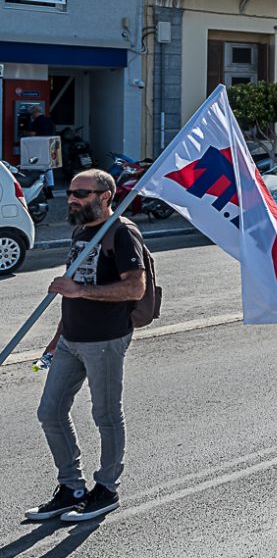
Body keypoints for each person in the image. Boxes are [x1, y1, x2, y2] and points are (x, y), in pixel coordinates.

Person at [27, 169, 146, 523]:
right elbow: (73, 289)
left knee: (105, 415)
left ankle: (106, 489)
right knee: (50, 412)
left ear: (105, 196)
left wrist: (80, 291)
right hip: (70, 340)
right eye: (70, 192)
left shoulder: (122, 232)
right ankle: (72, 488)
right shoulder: (81, 231)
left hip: (105, 340)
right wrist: (55, 340)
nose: (72, 198)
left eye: (81, 193)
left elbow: (135, 288)